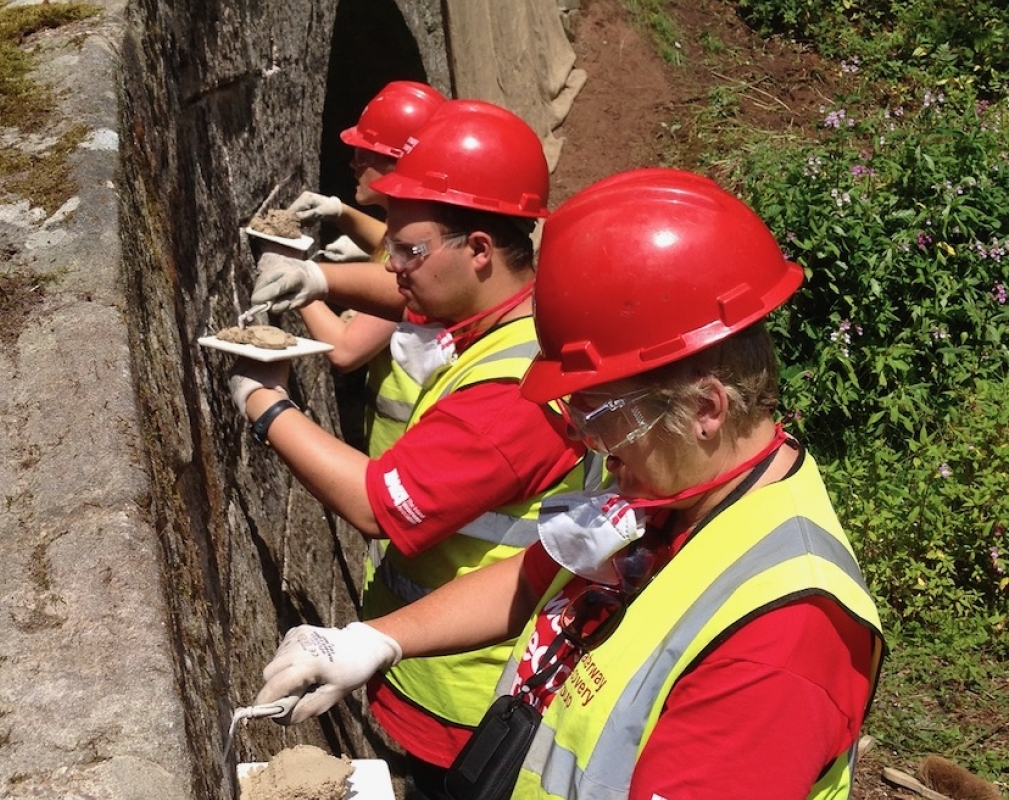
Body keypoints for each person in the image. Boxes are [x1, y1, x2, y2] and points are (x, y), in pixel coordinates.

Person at [252, 168, 887, 799]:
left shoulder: (780, 643)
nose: (585, 443)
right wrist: (375, 639)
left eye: (600, 416)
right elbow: (543, 573)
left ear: (706, 408)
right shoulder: (685, 488)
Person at [229, 102, 588, 797]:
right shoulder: (518, 306)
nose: (393, 270)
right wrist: (320, 279)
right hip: (441, 667)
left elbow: (374, 505)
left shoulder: (511, 398)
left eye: (410, 251)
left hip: (472, 699)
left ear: (479, 250)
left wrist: (264, 402)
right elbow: (403, 298)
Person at [289, 80, 445, 458]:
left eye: (365, 154)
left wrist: (295, 279)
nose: (353, 162)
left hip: (407, 455)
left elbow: (344, 351)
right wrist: (341, 213)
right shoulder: (432, 229)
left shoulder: (416, 268)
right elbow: (386, 241)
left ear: (399, 164)